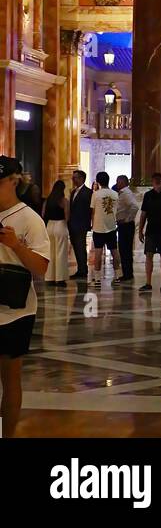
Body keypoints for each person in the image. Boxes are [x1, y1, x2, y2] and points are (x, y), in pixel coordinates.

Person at [0, 155, 50, 437]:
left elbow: (41, 267)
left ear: (13, 181)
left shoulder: (29, 218)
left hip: (15, 310)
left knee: (10, 378)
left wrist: (15, 245)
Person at [90, 171, 119, 286]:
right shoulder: (115, 194)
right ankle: (117, 276)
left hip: (98, 227)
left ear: (98, 181)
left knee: (98, 252)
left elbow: (92, 211)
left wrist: (92, 224)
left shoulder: (96, 194)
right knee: (114, 251)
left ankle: (97, 279)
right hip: (111, 226)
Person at [43, 179, 70, 287]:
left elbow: (43, 214)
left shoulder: (47, 200)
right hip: (60, 225)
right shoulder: (64, 201)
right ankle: (60, 278)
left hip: (49, 226)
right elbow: (67, 216)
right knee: (61, 252)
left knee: (50, 252)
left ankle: (49, 277)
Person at [68, 169, 91, 281]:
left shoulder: (88, 192)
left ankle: (83, 270)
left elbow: (89, 210)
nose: (73, 179)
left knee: (81, 247)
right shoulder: (73, 192)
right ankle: (80, 269)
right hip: (73, 224)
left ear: (81, 178)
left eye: (75, 177)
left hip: (81, 224)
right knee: (76, 247)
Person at [115, 175, 139, 282]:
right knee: (124, 250)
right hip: (123, 225)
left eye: (118, 181)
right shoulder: (124, 193)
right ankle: (127, 272)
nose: (117, 183)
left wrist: (128, 219)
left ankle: (127, 274)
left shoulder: (126, 193)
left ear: (123, 182)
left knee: (125, 250)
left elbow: (134, 206)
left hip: (126, 225)